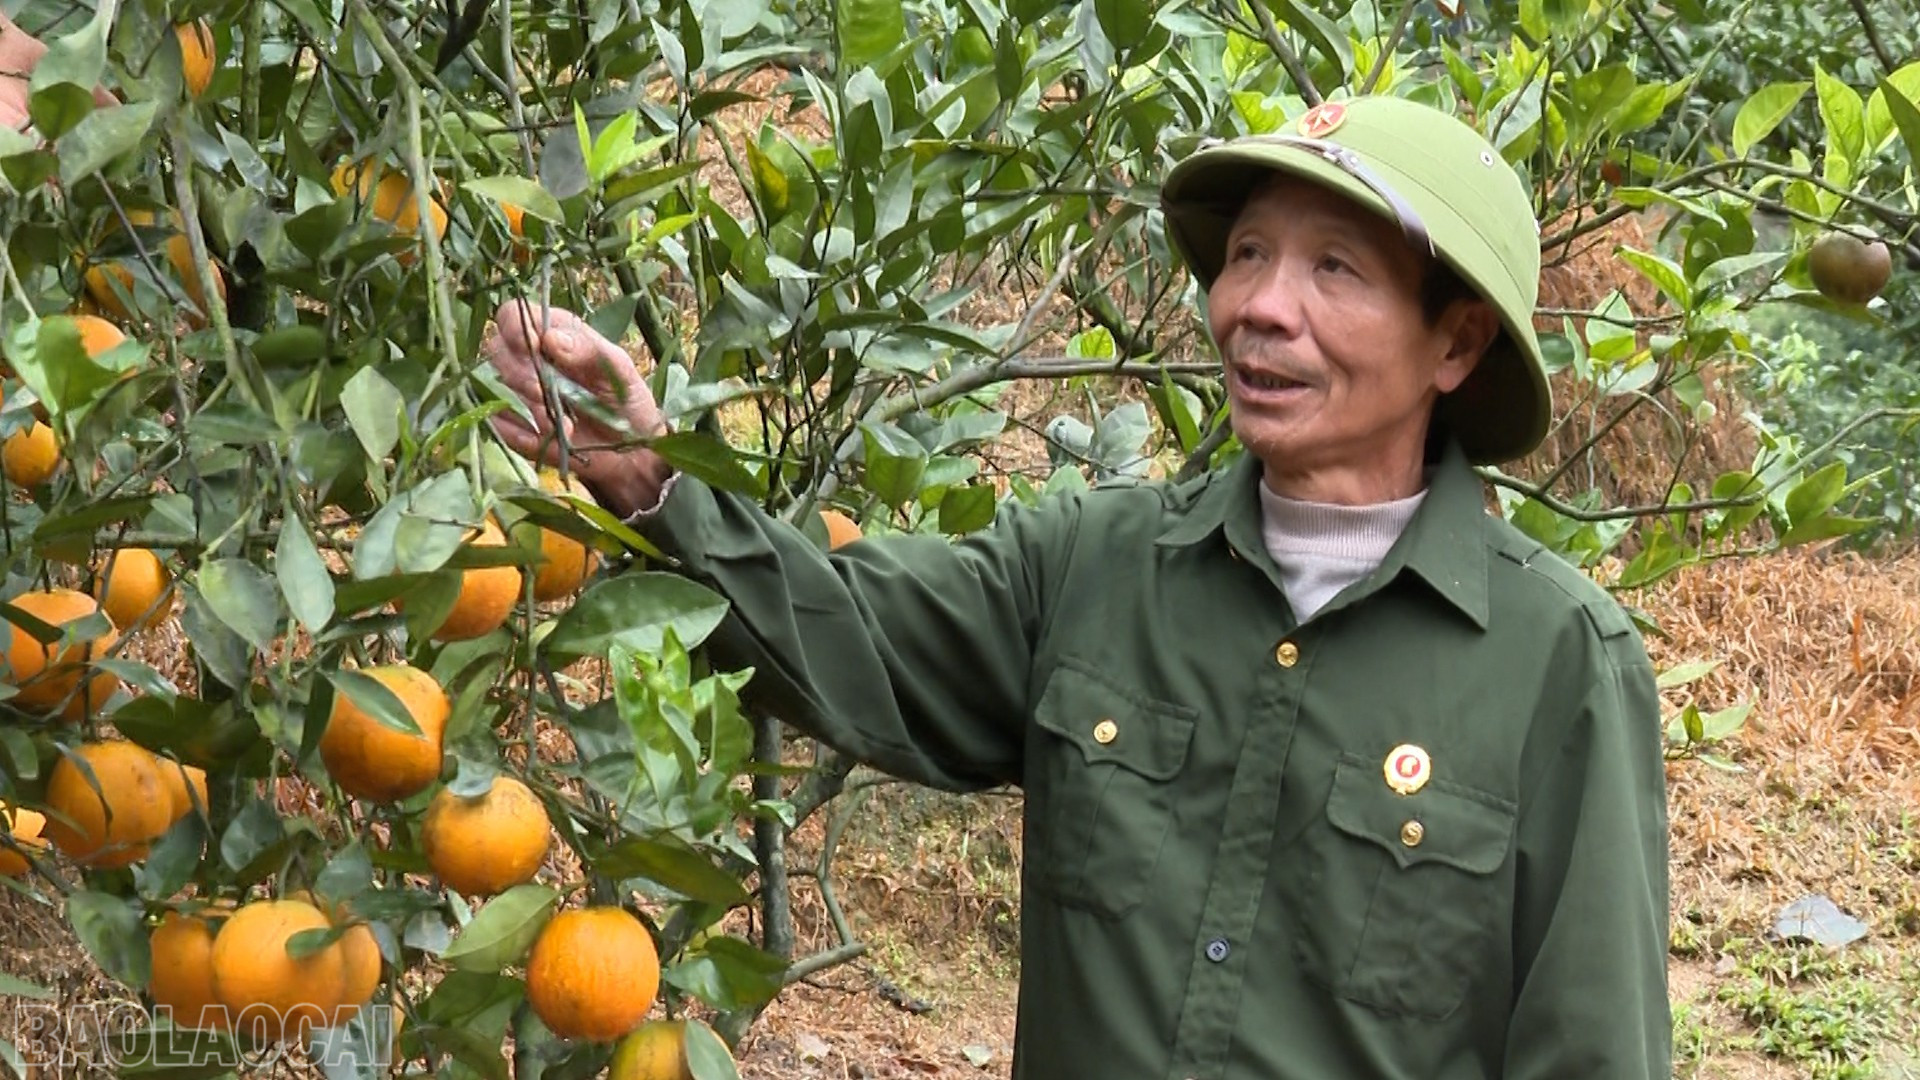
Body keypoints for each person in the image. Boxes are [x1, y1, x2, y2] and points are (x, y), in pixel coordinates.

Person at [485, 94, 1673, 1078]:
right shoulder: (1092, 567)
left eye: (1334, 268)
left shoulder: (1559, 664)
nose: (1261, 306)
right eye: (1248, 254)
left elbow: (1592, 1050)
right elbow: (841, 629)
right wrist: (649, 476)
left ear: (1455, 344)